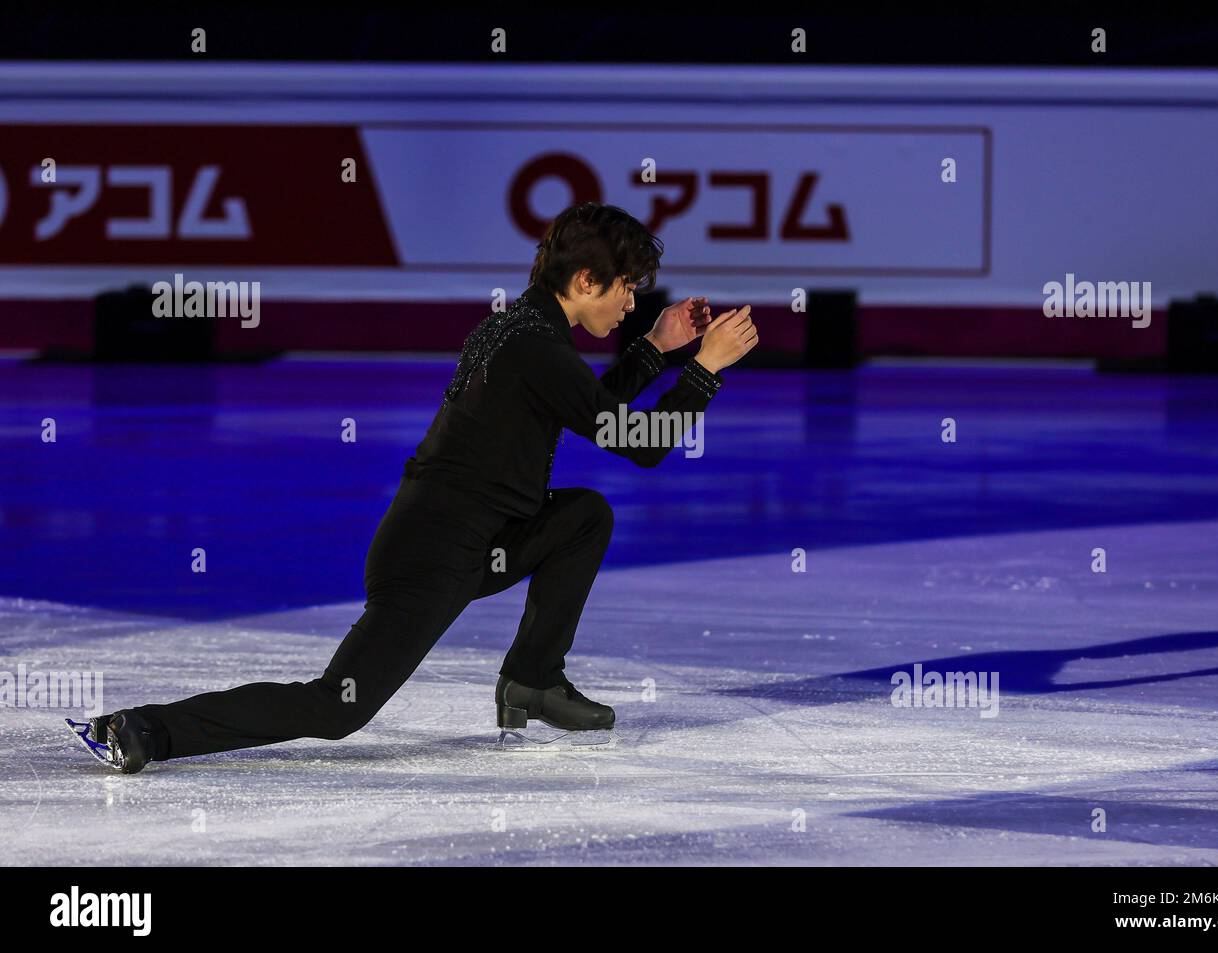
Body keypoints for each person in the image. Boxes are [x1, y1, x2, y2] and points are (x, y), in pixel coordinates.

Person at [68, 202, 758, 773]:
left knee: (583, 515)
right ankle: (142, 730)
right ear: (585, 279)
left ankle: (533, 679)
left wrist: (655, 352)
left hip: (481, 538)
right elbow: (639, 446)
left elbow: (590, 411)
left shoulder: (524, 330)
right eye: (627, 289)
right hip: (432, 554)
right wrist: (704, 369)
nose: (634, 303)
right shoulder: (535, 346)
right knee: (338, 707)